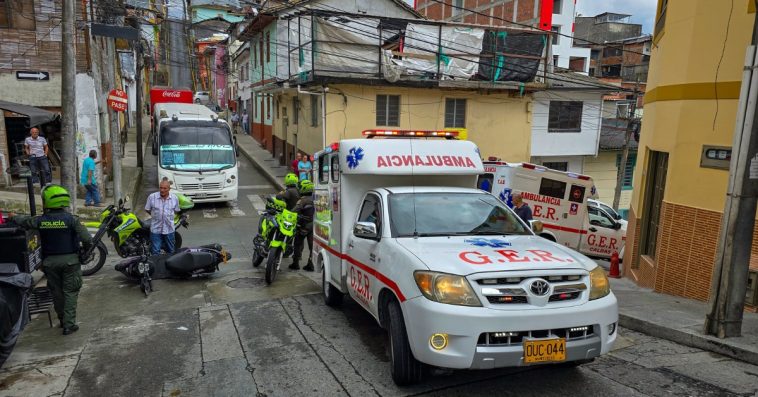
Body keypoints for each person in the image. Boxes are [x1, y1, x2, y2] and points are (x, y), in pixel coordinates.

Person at [9, 185, 92, 335]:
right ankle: (69, 324)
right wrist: (84, 252)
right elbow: (87, 239)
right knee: (70, 292)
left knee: (57, 292)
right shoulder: (72, 220)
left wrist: (13, 216)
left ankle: (62, 319)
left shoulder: (41, 220)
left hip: (49, 263)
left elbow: (25, 221)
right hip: (70, 262)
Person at [144, 179, 180, 254]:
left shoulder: (174, 198)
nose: (162, 190)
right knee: (155, 251)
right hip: (156, 229)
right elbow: (147, 209)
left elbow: (176, 210)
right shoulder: (152, 197)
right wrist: (155, 215)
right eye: (161, 188)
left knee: (171, 251)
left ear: (169, 189)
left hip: (169, 229)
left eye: (165, 188)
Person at [289, 179, 315, 271]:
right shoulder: (315, 199)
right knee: (312, 246)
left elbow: (294, 211)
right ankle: (311, 264)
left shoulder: (302, 201)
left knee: (297, 244)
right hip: (314, 226)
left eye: (300, 187)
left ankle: (295, 263)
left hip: (303, 226)